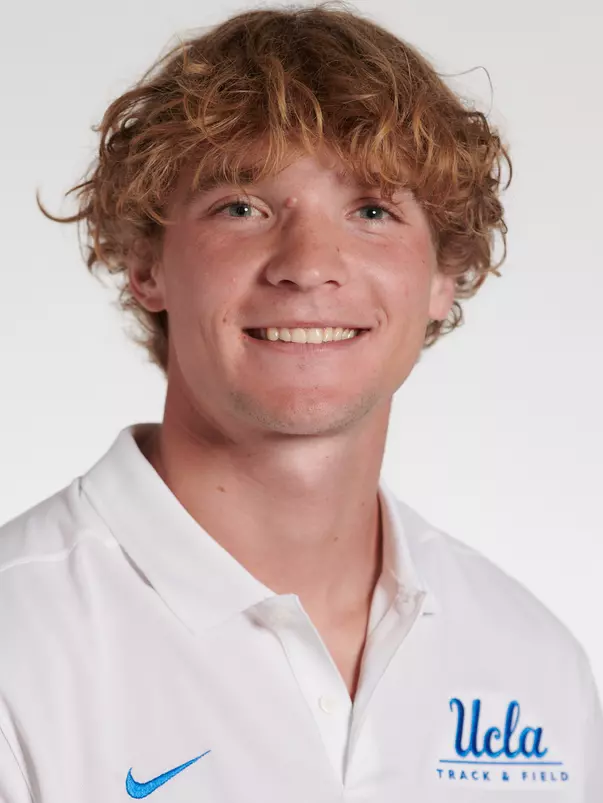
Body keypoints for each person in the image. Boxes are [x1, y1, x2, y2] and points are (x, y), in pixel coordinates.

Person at [1, 3, 601, 801]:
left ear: (441, 278)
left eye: (373, 210)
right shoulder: (19, 643)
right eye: (241, 207)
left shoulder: (532, 660)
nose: (309, 264)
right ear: (146, 264)